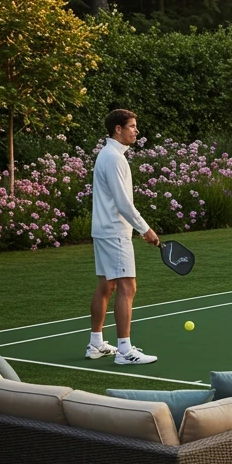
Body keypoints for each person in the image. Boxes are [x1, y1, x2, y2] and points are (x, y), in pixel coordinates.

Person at [87, 109, 161, 364]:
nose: (136, 131)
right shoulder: (115, 158)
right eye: (131, 126)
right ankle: (124, 351)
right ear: (118, 129)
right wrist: (145, 228)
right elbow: (123, 202)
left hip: (103, 230)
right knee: (128, 287)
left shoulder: (108, 155)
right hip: (114, 232)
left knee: (106, 285)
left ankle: (96, 344)